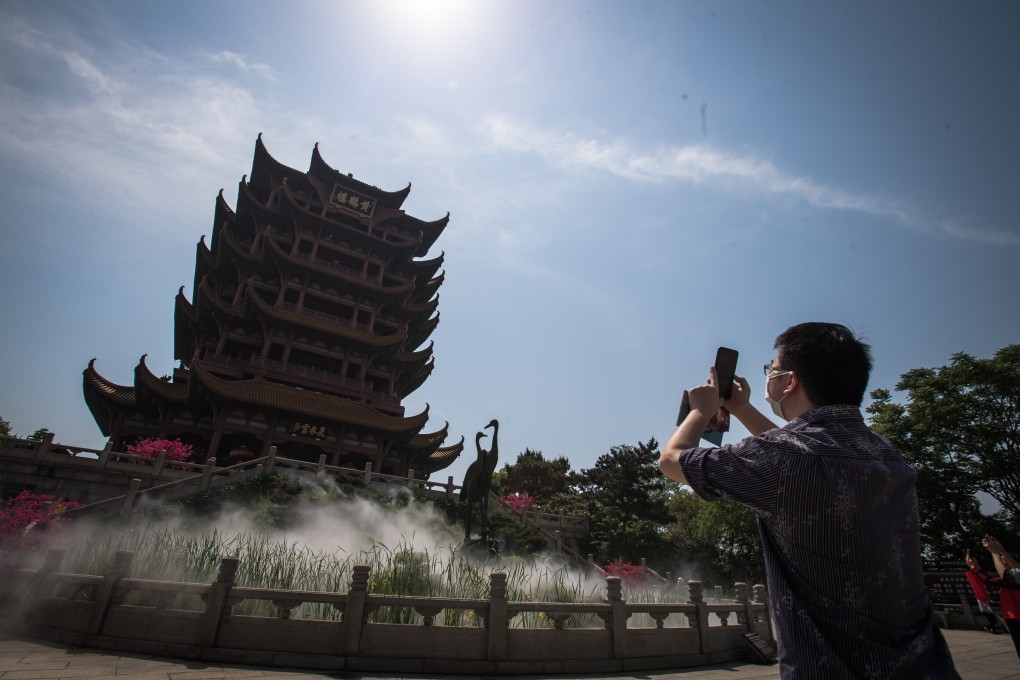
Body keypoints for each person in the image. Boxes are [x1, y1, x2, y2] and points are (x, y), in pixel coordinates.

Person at [659, 322, 960, 679]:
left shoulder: (786, 458)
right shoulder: (886, 453)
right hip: (928, 667)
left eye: (771, 370)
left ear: (790, 381)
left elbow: (672, 461)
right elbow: (797, 453)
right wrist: (740, 409)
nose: (768, 377)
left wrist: (699, 409)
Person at [981, 535, 1020, 659]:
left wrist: (995, 553)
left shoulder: (1009, 579)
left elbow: (1007, 575)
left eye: (1005, 560)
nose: (1003, 562)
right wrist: (1001, 551)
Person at [964, 552, 1002, 632]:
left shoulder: (979, 573)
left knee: (988, 609)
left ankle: (993, 625)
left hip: (985, 593)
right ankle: (992, 625)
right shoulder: (976, 573)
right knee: (986, 609)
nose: (974, 563)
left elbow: (989, 581)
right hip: (982, 594)